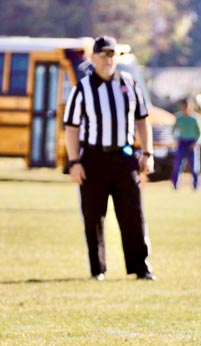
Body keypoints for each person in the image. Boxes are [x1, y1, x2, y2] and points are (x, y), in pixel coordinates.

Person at [63, 36, 156, 281]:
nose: (108, 60)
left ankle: (140, 267)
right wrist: (74, 162)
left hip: (125, 156)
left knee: (133, 213)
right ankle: (98, 268)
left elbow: (142, 120)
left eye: (111, 55)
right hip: (94, 157)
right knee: (93, 215)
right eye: (103, 55)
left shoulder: (129, 84)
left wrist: (147, 152)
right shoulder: (82, 89)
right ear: (93, 58)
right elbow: (71, 128)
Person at [171, 97, 201, 190]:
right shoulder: (179, 118)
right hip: (182, 142)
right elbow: (174, 130)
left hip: (192, 143)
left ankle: (196, 186)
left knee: (194, 167)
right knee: (178, 165)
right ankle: (175, 185)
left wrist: (196, 143)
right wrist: (176, 139)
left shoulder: (195, 118)